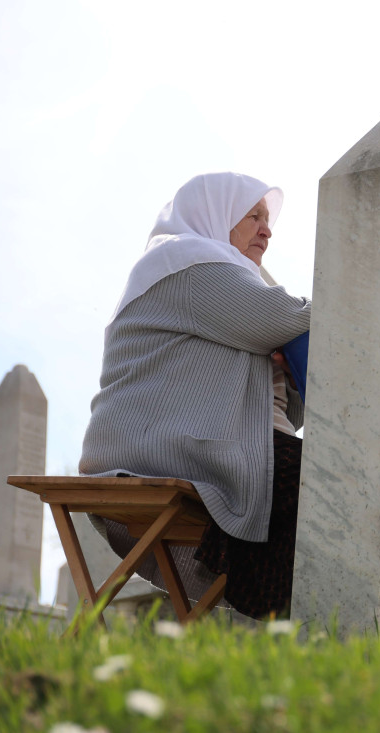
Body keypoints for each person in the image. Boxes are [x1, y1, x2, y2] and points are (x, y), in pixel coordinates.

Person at [80, 172, 312, 619]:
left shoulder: (231, 278)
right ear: (215, 214)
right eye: (253, 216)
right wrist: (353, 299)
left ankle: (272, 618)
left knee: (318, 475)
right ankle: (274, 618)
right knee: (322, 480)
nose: (267, 229)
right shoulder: (186, 262)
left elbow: (286, 407)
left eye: (268, 219)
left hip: (213, 442)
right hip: (154, 448)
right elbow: (283, 319)